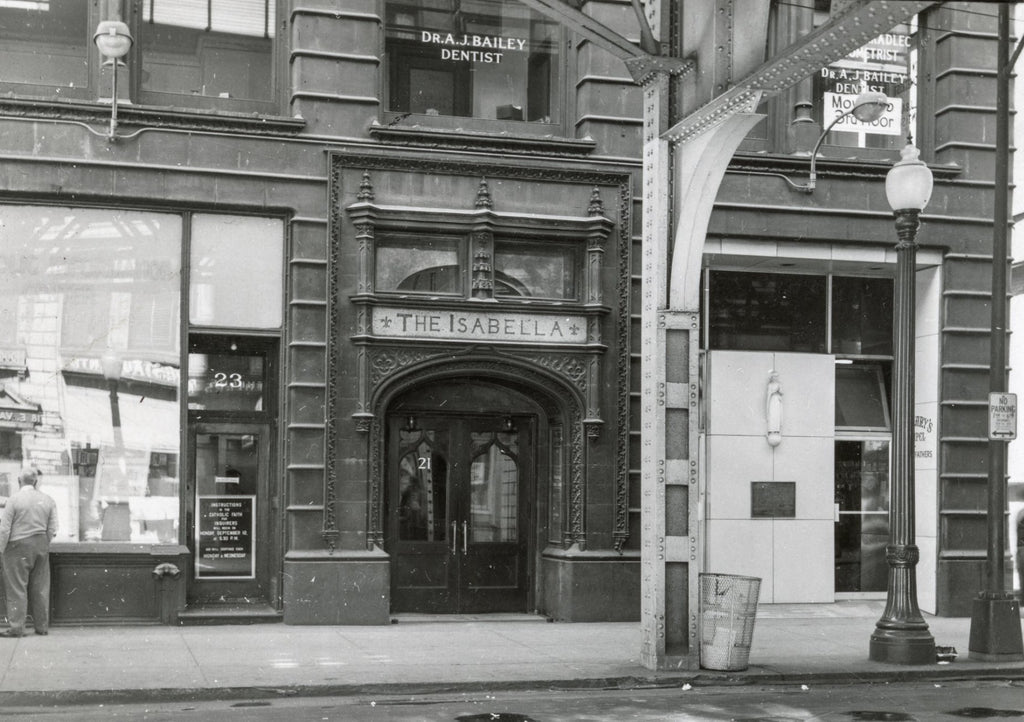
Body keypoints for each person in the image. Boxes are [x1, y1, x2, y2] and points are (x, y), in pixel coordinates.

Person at [0, 467, 57, 637]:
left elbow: (4, 529)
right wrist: (44, 543)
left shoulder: (14, 500)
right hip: (40, 544)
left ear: (19, 481)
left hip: (17, 546)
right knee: (40, 587)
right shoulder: (48, 500)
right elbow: (53, 528)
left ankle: (17, 627)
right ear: (35, 481)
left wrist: (2, 549)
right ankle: (42, 627)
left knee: (16, 588)